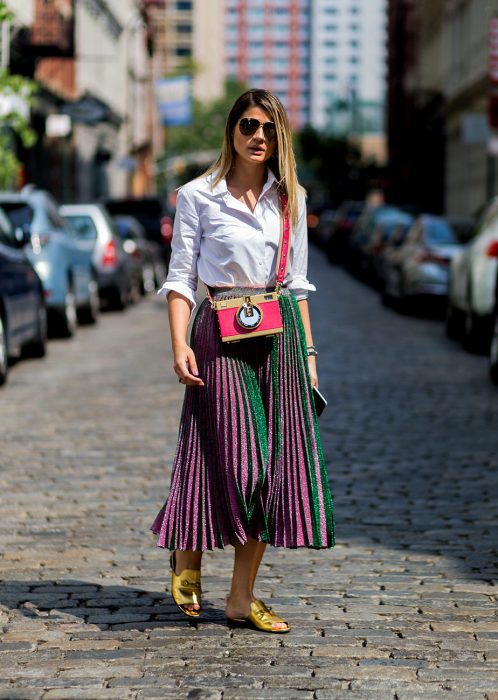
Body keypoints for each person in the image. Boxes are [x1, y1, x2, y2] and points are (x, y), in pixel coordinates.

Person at [151, 89, 335, 633]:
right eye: (250, 125)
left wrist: (309, 354)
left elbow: (298, 285)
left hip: (277, 338)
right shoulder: (197, 196)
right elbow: (181, 278)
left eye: (271, 128)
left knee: (269, 472)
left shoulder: (291, 199)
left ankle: (239, 597)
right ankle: (188, 553)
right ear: (232, 129)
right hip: (219, 333)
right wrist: (179, 343)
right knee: (238, 460)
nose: (260, 137)